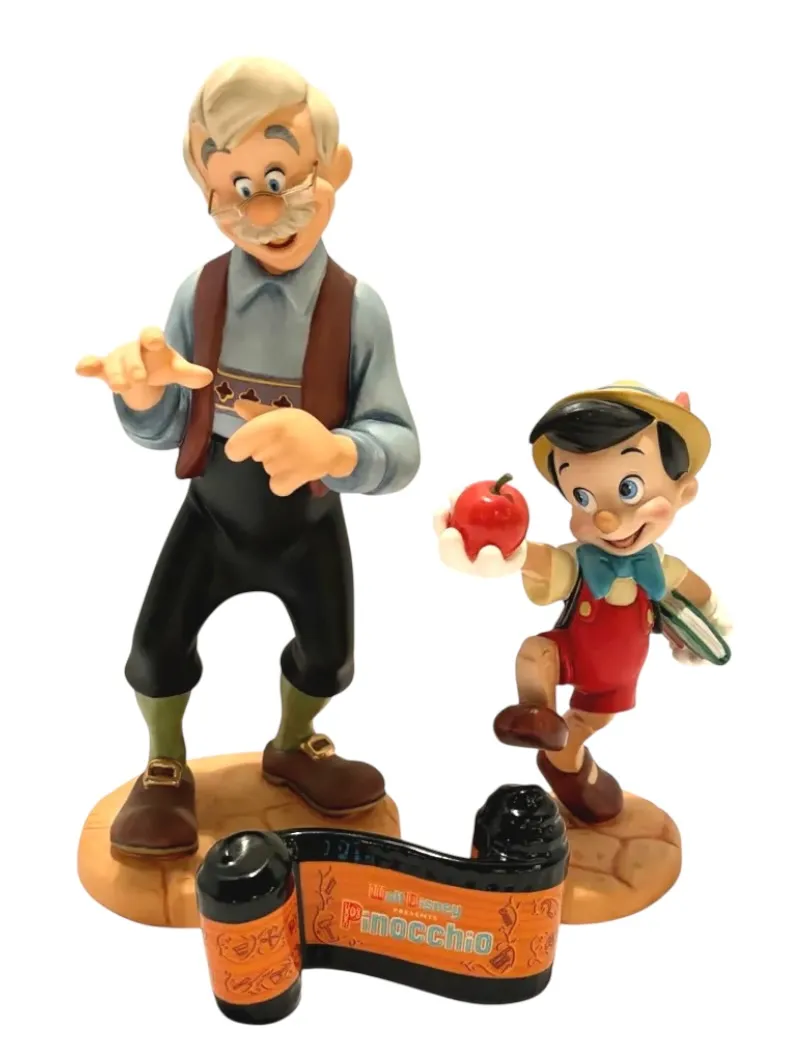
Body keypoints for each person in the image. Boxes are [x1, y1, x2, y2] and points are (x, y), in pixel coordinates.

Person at [77, 57, 419, 857]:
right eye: (235, 188)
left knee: (330, 655)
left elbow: (401, 446)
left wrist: (337, 449)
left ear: (334, 169)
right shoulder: (198, 296)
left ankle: (294, 745)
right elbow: (167, 427)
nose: (262, 208)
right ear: (206, 194)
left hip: (307, 518)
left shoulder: (357, 310)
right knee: (156, 646)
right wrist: (143, 398)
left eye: (279, 176)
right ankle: (165, 764)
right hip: (214, 510)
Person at [435, 382, 730, 824]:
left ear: (683, 491)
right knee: (535, 652)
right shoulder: (582, 562)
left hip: (615, 676)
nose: (606, 519)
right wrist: (513, 553)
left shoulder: (660, 569)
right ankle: (536, 716)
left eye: (629, 489)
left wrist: (710, 625)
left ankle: (571, 767)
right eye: (583, 498)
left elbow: (697, 592)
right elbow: (547, 563)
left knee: (577, 733)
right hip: (573, 651)